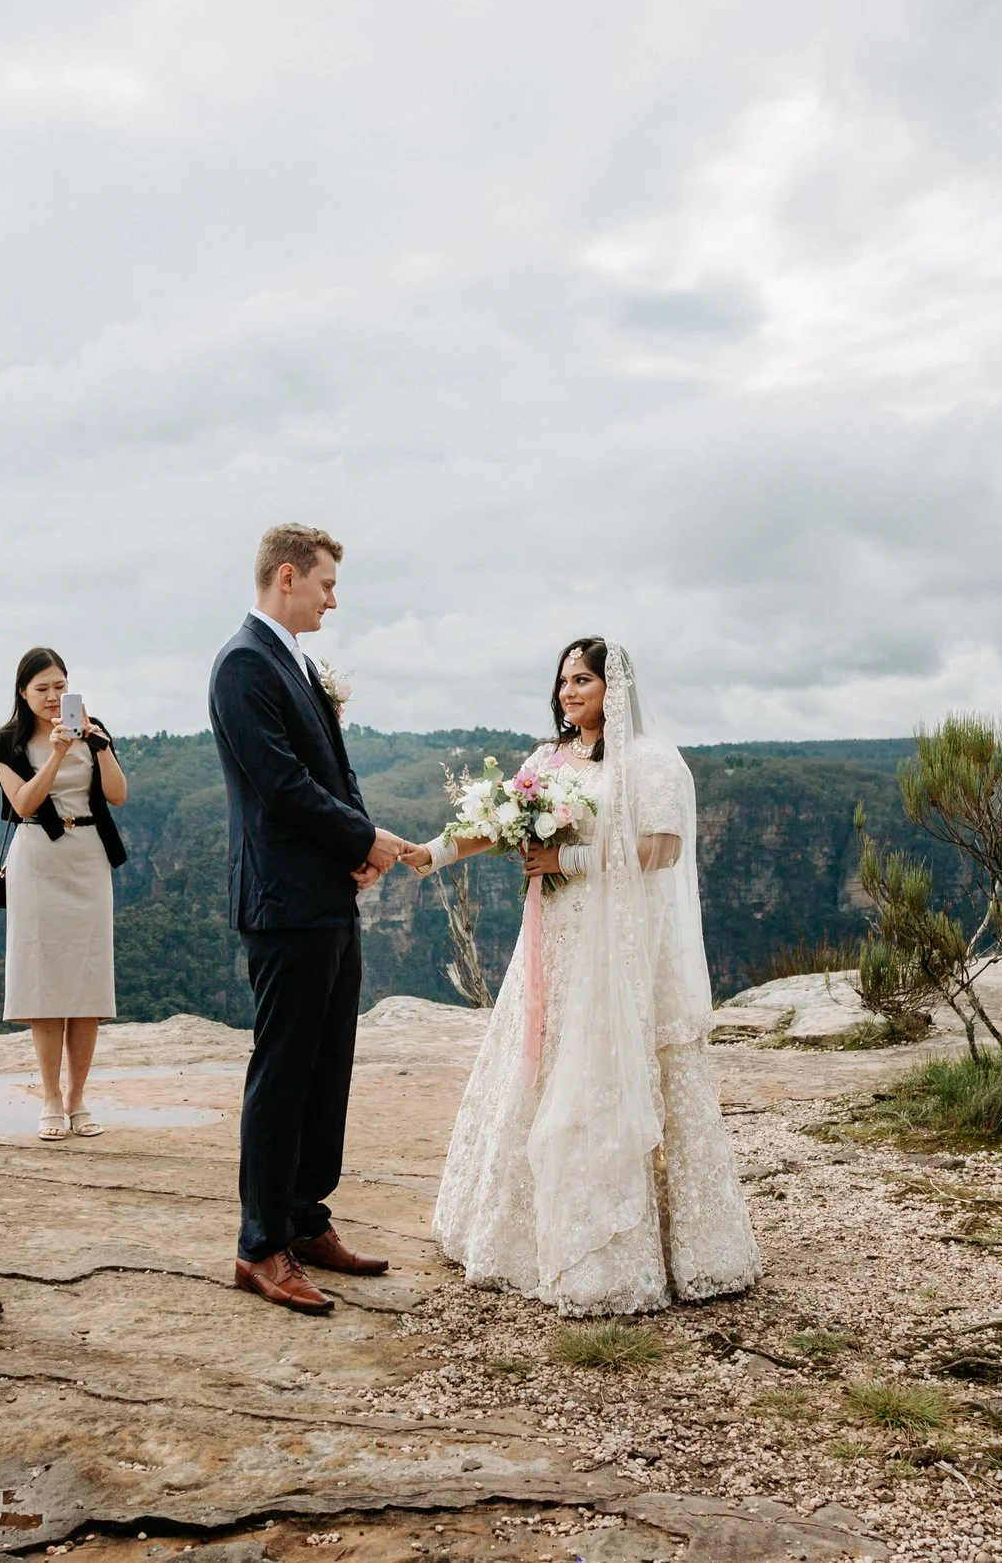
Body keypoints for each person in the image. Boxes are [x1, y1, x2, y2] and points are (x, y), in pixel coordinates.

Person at [413, 638, 760, 1312]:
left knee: (615, 1073)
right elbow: (499, 826)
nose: (571, 691)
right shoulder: (546, 759)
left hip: (617, 944)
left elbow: (662, 849)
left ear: (614, 688)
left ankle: (632, 1250)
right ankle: (527, 1236)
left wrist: (568, 864)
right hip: (552, 945)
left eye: (584, 680)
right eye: (564, 679)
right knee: (540, 1068)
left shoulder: (649, 763)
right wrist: (426, 855)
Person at [208, 524, 414, 1315]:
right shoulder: (242, 664)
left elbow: (335, 769)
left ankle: (305, 1217)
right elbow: (282, 785)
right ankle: (260, 1246)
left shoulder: (293, 662)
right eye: (327, 583)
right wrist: (363, 838)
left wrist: (360, 846)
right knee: (284, 1070)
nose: (335, 597)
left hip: (325, 893)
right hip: (283, 902)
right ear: (286, 577)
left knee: (327, 1065)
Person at [0, 649, 128, 1139]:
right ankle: (50, 1097)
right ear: (23, 693)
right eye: (42, 688)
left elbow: (117, 794)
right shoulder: (10, 742)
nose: (53, 697)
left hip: (88, 858)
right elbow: (25, 802)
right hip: (37, 863)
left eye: (60, 686)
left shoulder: (94, 731)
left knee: (87, 983)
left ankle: (78, 1099)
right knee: (45, 982)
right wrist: (54, 753)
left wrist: (99, 744)